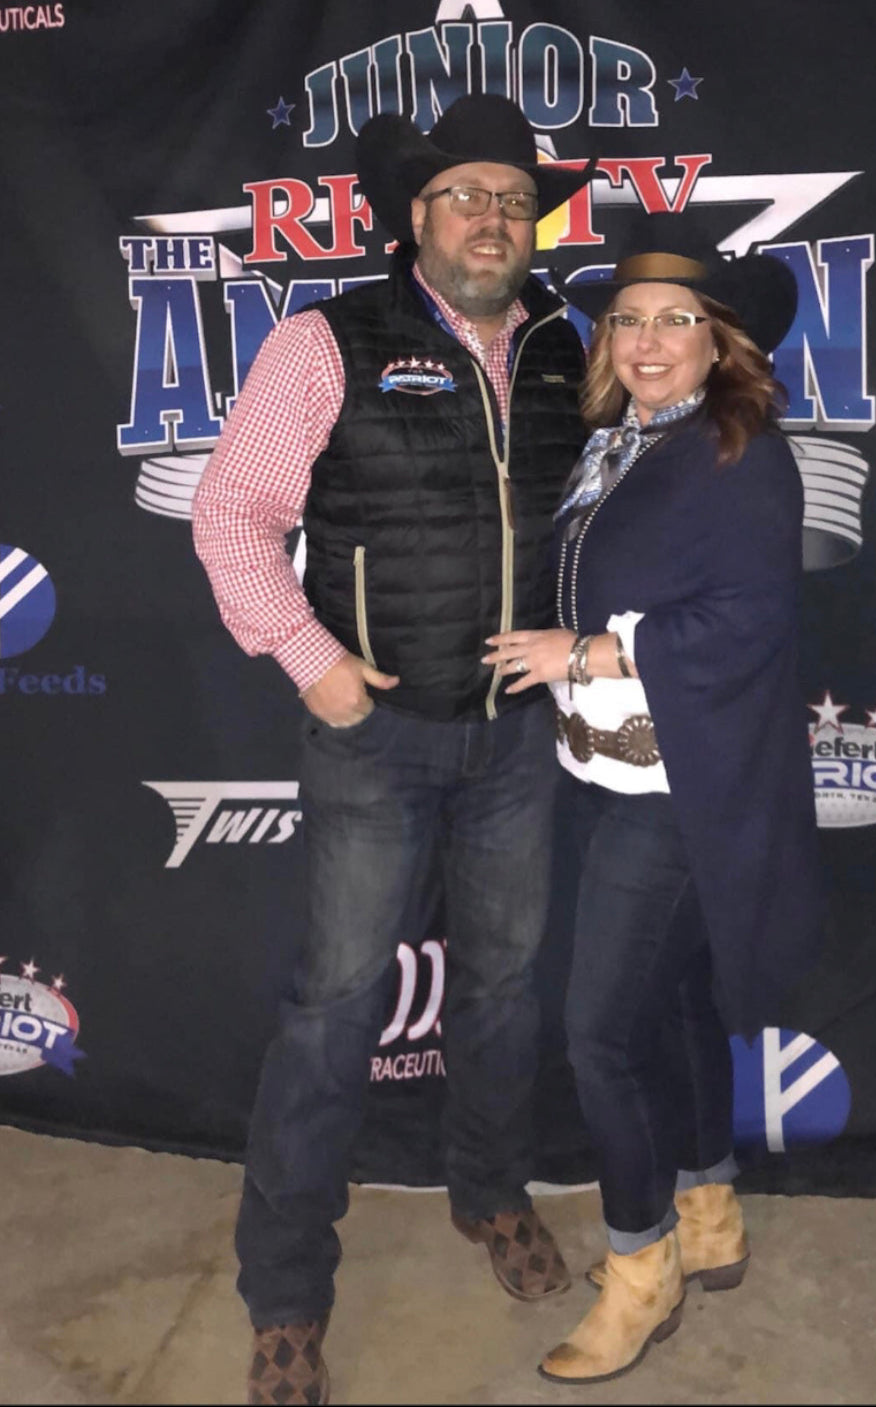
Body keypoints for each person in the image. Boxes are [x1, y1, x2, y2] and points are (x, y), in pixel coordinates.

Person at [192, 94, 596, 1406]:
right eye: (464, 194)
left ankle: (489, 1193)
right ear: (412, 218)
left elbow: (600, 519)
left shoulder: (562, 342)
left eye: (510, 196)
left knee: (501, 991)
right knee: (331, 1017)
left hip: (517, 740)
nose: (492, 216)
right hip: (374, 741)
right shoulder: (325, 342)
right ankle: (286, 1296)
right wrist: (311, 659)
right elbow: (234, 514)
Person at [483, 214, 824, 1384]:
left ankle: (642, 1269)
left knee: (601, 1035)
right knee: (675, 1007)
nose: (646, 340)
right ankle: (711, 1214)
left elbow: (748, 622)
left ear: (719, 339)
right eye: (626, 319)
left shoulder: (737, 448)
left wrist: (579, 652)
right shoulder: (620, 442)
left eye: (676, 319)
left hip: (682, 783)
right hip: (612, 768)